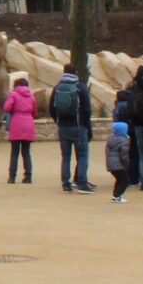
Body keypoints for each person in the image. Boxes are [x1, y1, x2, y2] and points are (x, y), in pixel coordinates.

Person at [52, 63, 93, 193]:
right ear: (75, 72)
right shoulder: (80, 87)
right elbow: (87, 109)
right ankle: (81, 182)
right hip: (78, 125)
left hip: (63, 126)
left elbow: (51, 108)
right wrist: (87, 126)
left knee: (65, 156)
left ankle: (66, 183)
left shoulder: (57, 87)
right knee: (82, 155)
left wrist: (58, 121)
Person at [3, 75, 37, 184]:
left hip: (16, 123)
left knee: (14, 152)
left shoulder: (14, 94)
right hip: (28, 123)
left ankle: (12, 177)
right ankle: (28, 176)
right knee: (26, 152)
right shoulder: (31, 96)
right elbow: (35, 112)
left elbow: (7, 108)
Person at [106, 113, 134, 203]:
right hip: (119, 165)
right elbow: (124, 156)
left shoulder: (110, 139)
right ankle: (117, 196)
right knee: (125, 180)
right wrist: (126, 165)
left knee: (119, 180)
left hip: (111, 165)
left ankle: (115, 195)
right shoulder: (124, 141)